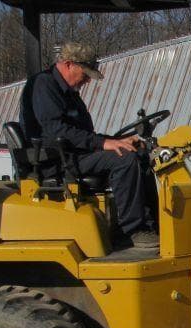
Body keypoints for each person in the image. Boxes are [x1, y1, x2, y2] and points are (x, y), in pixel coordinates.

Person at [20, 42, 159, 249]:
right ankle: (133, 231)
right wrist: (104, 143)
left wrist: (116, 141)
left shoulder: (70, 94)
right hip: (56, 160)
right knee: (125, 160)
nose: (87, 80)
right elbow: (56, 131)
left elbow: (83, 134)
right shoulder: (44, 85)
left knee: (138, 153)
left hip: (74, 154)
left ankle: (152, 225)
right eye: (85, 74)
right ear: (68, 64)